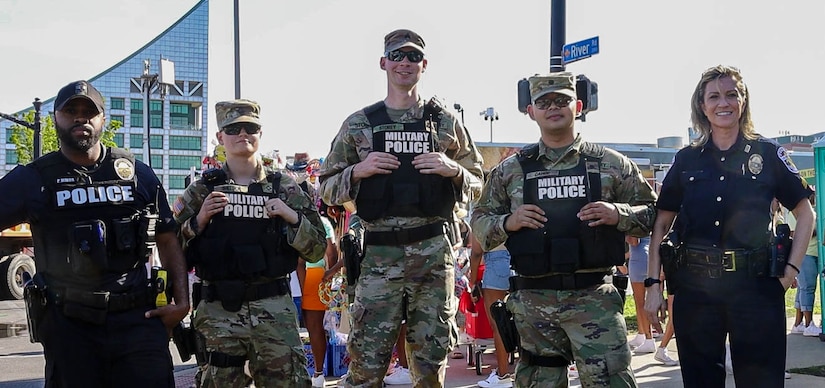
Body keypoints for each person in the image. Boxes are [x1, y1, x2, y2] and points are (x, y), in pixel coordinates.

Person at [318, 28, 484, 387]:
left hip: (433, 255)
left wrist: (452, 169)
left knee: (430, 365)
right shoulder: (359, 124)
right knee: (366, 365)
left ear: (424, 65)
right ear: (384, 63)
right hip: (378, 256)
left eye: (412, 57)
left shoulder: (445, 123)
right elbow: (326, 188)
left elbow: (479, 182)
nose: (404, 63)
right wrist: (358, 171)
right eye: (397, 56)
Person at [471, 72, 657, 387]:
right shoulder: (511, 170)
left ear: (579, 106)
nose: (553, 107)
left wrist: (618, 214)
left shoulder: (609, 164)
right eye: (543, 102)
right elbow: (479, 221)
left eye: (562, 100)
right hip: (533, 301)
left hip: (593, 298)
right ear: (531, 111)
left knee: (610, 381)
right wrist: (508, 222)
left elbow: (654, 214)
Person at [0, 80, 190, 386]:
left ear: (102, 119)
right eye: (71, 111)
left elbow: (168, 237)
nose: (80, 118)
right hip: (70, 328)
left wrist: (181, 301)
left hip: (138, 323)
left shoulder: (136, 174)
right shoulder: (33, 179)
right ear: (55, 119)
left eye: (89, 112)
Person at [643, 65, 814, 387]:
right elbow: (661, 222)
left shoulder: (768, 153)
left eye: (732, 94)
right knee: (701, 380)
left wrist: (790, 270)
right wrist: (653, 283)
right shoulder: (687, 159)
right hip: (696, 289)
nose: (724, 103)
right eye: (714, 96)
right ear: (702, 106)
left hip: (757, 287)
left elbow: (806, 213)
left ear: (743, 100)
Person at [174, 99, 328, 387]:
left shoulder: (285, 187)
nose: (243, 134)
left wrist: (292, 217)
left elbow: (318, 248)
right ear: (221, 137)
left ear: (260, 133)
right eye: (233, 128)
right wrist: (198, 222)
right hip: (219, 311)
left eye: (251, 127)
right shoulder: (202, 189)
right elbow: (171, 250)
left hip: (273, 310)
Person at [296, 213, 338, 387]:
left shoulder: (290, 216)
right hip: (316, 276)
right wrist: (330, 274)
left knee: (307, 327)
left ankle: (312, 373)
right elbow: (332, 252)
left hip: (296, 276)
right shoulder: (322, 221)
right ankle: (318, 373)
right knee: (315, 328)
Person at [468, 233, 514, 388]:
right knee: (527, 320)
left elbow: (476, 251)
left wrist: (473, 282)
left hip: (496, 261)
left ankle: (503, 375)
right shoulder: (519, 208)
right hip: (523, 262)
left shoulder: (484, 212)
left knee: (499, 325)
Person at [787, 192, 820, 337]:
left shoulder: (812, 210)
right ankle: (808, 324)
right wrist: (815, 230)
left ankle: (798, 324)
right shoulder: (797, 212)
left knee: (802, 289)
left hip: (813, 253)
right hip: (806, 254)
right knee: (807, 288)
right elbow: (794, 234)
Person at [625, 235, 657, 354]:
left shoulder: (633, 223)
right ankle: (642, 334)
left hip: (638, 260)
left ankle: (649, 339)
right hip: (650, 258)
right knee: (647, 299)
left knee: (640, 303)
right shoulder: (647, 219)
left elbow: (634, 241)